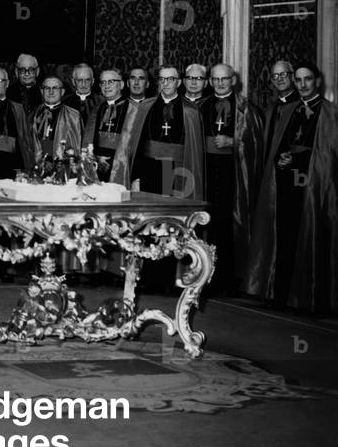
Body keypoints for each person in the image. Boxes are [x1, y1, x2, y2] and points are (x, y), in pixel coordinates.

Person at [246, 64, 338, 314]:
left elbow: (329, 155)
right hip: (286, 183)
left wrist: (301, 161)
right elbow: (278, 145)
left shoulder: (330, 113)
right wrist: (282, 157)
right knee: (283, 238)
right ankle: (280, 293)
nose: (303, 84)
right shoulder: (287, 110)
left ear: (317, 81)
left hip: (313, 186)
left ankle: (308, 298)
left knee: (310, 238)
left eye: (308, 79)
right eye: (298, 80)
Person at [200, 63, 264, 295]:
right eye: (215, 79)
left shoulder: (247, 109)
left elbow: (257, 145)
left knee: (230, 225)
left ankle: (230, 280)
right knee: (208, 224)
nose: (219, 83)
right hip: (207, 173)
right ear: (209, 81)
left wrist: (233, 142)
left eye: (224, 79)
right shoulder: (201, 106)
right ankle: (206, 275)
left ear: (233, 79)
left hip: (234, 174)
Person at [111, 66, 205, 199]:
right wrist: (136, 177)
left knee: (171, 213)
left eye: (170, 79)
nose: (165, 83)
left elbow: (194, 153)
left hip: (179, 171)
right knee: (150, 212)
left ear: (178, 82)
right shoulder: (145, 106)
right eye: (162, 79)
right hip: (149, 169)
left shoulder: (191, 111)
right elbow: (137, 144)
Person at [83, 68, 131, 178]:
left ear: (122, 85)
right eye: (103, 82)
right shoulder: (96, 109)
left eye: (111, 81)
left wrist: (112, 160)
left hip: (121, 169)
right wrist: (96, 158)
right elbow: (88, 140)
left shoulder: (132, 110)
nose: (106, 86)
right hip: (95, 166)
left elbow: (133, 146)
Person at [30, 76, 82, 164]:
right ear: (42, 91)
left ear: (62, 92)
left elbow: (77, 147)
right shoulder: (33, 115)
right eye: (47, 88)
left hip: (63, 166)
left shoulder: (74, 116)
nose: (51, 92)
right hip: (37, 166)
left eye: (55, 88)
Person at [264, 59, 297, 147]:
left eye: (283, 74)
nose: (279, 79)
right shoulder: (270, 108)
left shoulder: (302, 105)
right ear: (272, 81)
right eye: (275, 76)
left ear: (292, 76)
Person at [63, 63, 100, 127]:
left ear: (93, 81)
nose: (83, 84)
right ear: (73, 82)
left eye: (87, 80)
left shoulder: (102, 102)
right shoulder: (64, 103)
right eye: (79, 80)